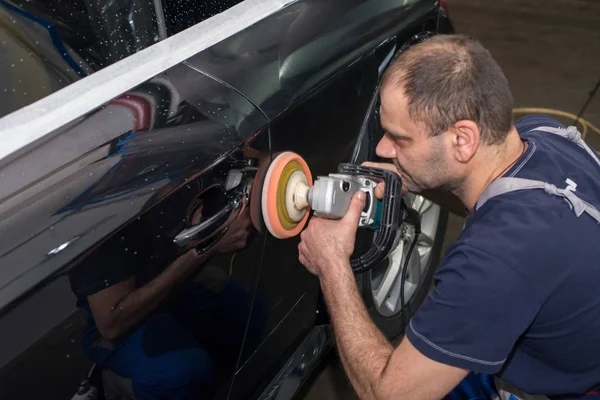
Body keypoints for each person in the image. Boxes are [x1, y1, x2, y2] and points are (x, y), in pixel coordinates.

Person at [298, 34, 600, 400]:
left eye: (399, 138)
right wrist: (409, 181)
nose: (382, 149)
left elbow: (389, 395)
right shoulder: (544, 134)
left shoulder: (496, 259)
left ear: (462, 139)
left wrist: (332, 263)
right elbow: (485, 194)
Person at [68, 190, 255, 400]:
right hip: (116, 315)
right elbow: (112, 324)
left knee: (242, 309)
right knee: (185, 376)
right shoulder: (98, 211)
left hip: (163, 276)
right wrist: (209, 247)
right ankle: (111, 383)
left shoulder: (170, 167)